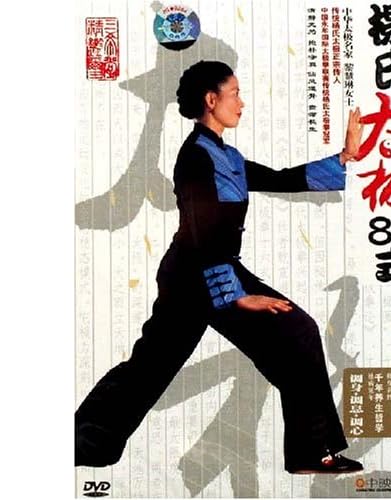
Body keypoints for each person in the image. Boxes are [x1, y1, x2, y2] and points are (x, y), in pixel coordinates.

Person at [75, 60, 364, 474]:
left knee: (294, 333)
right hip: (193, 278)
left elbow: (280, 179)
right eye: (235, 94)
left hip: (212, 270)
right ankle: (82, 441)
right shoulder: (195, 157)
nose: (241, 103)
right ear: (212, 100)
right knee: (153, 368)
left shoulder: (225, 155)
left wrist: (345, 156)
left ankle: (310, 451)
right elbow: (201, 235)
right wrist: (237, 297)